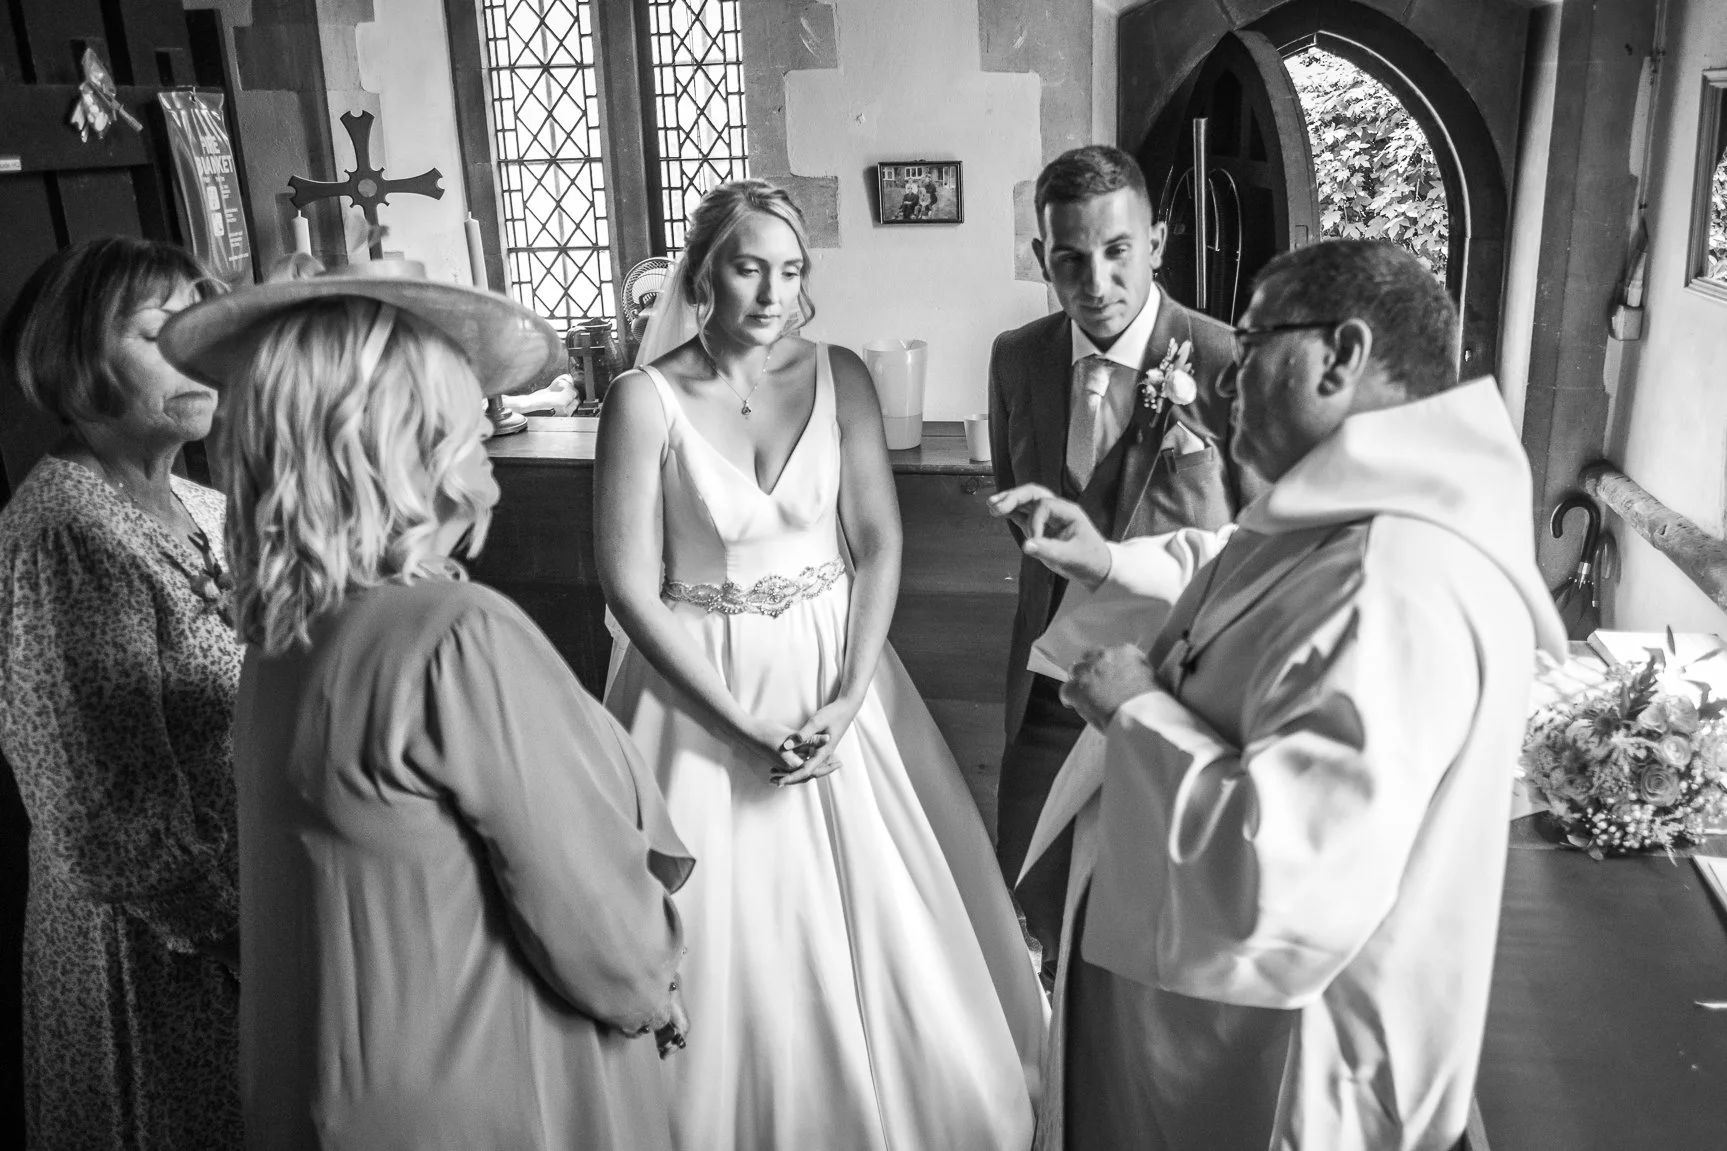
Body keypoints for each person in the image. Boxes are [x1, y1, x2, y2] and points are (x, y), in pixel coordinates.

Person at [992, 239, 1567, 1151]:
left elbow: (1286, 875)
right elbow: (1231, 565)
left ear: (1339, 355)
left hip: (1272, 1067)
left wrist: (1135, 708)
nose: (1227, 378)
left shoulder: (1393, 581)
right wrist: (1104, 562)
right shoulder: (1352, 513)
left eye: (1254, 345)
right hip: (1193, 1025)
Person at [157, 261, 694, 1151]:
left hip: (335, 1094)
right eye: (459, 396)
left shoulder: (284, 640)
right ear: (399, 435)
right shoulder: (455, 635)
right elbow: (601, 926)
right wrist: (654, 980)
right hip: (482, 1089)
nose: (486, 415)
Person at [598, 178, 1045, 1151]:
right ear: (701, 271)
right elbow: (630, 588)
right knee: (721, 934)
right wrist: (736, 726)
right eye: (748, 267)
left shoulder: (840, 375)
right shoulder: (641, 401)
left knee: (889, 920)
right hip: (696, 696)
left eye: (790, 269)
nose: (773, 292)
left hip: (836, 675)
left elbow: (877, 542)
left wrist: (846, 699)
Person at [988, 144, 1254, 979]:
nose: (1095, 281)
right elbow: (1014, 496)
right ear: (1042, 256)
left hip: (1175, 692)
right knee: (1028, 891)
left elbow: (1254, 542)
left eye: (1117, 251)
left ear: (1157, 243)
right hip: (1048, 686)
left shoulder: (1224, 360)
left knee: (1144, 921)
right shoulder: (1016, 356)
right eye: (1069, 257)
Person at [0, 237, 241, 1150]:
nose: (196, 348)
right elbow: (99, 808)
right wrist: (235, 934)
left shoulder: (206, 507)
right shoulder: (66, 530)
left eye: (204, 323)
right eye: (158, 331)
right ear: (75, 359)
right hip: (157, 945)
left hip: (243, 903)